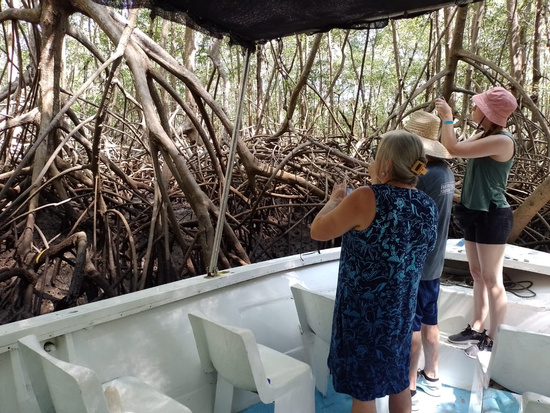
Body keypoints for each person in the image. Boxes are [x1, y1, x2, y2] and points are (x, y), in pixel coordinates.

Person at [310, 130, 438, 413]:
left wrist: (334, 200)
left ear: (387, 164)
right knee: (399, 381)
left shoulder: (366, 197)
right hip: (401, 312)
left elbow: (318, 231)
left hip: (363, 315)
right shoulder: (427, 206)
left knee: (364, 393)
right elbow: (423, 250)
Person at [435, 86, 518, 358]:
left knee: (493, 279)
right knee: (477, 273)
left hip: (493, 214)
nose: (473, 109)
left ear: (488, 114)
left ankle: (494, 339)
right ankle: (478, 327)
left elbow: (453, 147)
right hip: (472, 211)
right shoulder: (484, 135)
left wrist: (447, 116)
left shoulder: (503, 141)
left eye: (477, 106)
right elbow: (454, 147)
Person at [403, 111, 455, 409]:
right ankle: (433, 376)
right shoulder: (445, 172)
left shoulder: (425, 175)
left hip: (418, 265)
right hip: (434, 263)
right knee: (430, 320)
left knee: (413, 325)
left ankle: (409, 384)